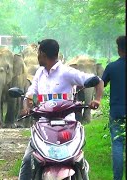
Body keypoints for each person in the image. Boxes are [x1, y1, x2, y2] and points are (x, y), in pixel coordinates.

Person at [18, 39, 104, 180]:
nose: (37, 56)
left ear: (42, 54)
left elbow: (98, 80)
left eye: (38, 52)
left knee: (78, 160)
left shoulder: (67, 72)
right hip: (43, 126)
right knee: (28, 161)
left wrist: (97, 99)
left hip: (67, 126)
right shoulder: (40, 73)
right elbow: (31, 95)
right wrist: (27, 106)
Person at [101, 35, 126, 180]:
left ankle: (117, 178)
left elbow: (102, 83)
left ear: (119, 49)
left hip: (117, 113)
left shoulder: (112, 67)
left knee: (117, 145)